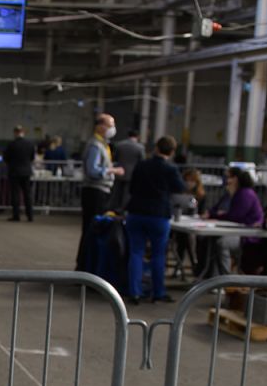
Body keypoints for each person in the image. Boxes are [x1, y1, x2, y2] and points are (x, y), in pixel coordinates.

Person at [124, 136, 186, 305]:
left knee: (136, 252)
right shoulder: (170, 169)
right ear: (172, 152)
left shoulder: (142, 165)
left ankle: (134, 292)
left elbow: (132, 187)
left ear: (156, 148)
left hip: (136, 212)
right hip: (158, 214)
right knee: (159, 255)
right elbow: (180, 187)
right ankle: (158, 292)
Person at [76, 113, 124, 270]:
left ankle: (87, 266)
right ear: (100, 126)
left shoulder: (103, 144)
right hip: (94, 191)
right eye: (111, 125)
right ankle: (84, 267)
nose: (113, 129)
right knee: (91, 228)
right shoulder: (95, 146)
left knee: (93, 228)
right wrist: (112, 170)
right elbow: (92, 170)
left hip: (100, 190)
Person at [208, 166, 264, 274]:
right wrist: (213, 214)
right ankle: (213, 276)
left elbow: (235, 216)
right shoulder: (237, 193)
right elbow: (219, 209)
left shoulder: (245, 194)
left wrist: (215, 215)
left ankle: (225, 278)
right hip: (242, 231)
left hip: (249, 236)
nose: (226, 180)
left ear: (236, 179)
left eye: (229, 177)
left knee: (221, 243)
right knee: (212, 241)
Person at [2, 125, 36, 222]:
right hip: (26, 172)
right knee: (27, 195)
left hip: (14, 172)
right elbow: (32, 157)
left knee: (15, 194)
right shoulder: (30, 144)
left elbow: (6, 158)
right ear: (23, 132)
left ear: (15, 133)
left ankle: (16, 215)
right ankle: (30, 216)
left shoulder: (11, 144)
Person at [109, 130, 145, 211]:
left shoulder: (119, 145)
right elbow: (142, 161)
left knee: (116, 193)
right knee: (127, 194)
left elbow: (115, 157)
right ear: (138, 136)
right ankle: (123, 210)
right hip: (132, 174)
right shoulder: (140, 147)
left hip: (119, 172)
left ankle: (113, 209)